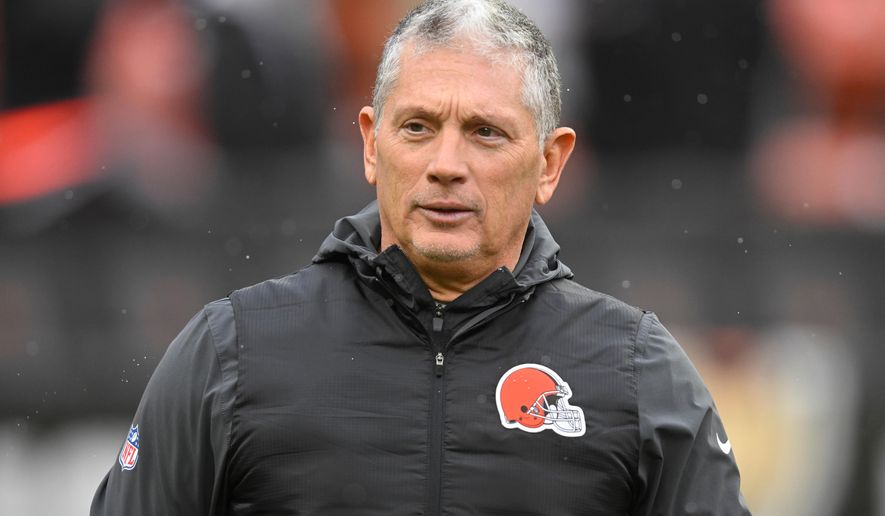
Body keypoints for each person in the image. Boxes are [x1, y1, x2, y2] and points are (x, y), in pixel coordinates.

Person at [91, 0, 750, 514]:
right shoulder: (230, 351)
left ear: (549, 163)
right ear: (371, 146)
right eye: (417, 127)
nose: (445, 166)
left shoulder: (635, 372)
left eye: (485, 133)